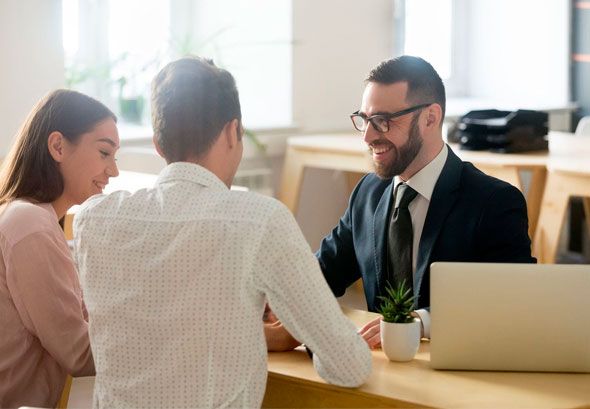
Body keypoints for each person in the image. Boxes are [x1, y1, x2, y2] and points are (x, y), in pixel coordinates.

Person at [74, 57, 371, 408]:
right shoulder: (260, 221)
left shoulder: (93, 219)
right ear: (233, 132)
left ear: (157, 143)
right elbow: (349, 365)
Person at [315, 55, 536, 348]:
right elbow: (320, 274)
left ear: (430, 118)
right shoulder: (368, 193)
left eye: (383, 121)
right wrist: (270, 305)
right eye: (365, 120)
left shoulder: (494, 203)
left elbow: (513, 300)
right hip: (378, 371)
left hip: (455, 371)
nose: (368, 136)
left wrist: (419, 323)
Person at [0, 89, 119, 408]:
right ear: (58, 146)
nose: (114, 170)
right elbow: (80, 354)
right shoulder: (30, 226)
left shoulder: (28, 218)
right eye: (105, 153)